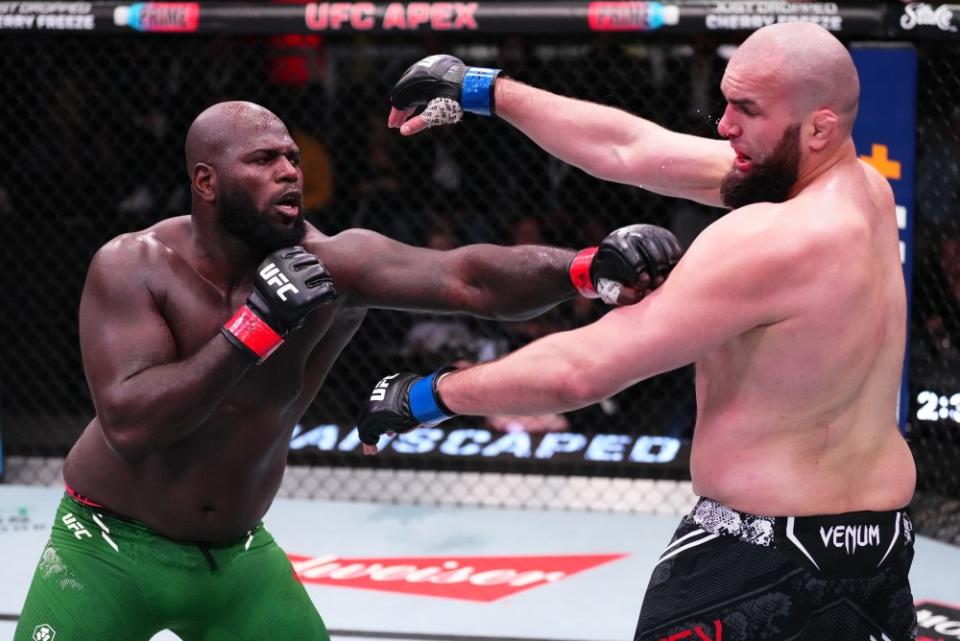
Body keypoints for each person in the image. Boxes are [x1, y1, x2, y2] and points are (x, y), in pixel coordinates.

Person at [13, 100, 680, 641]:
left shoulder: (333, 263)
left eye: (291, 159)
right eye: (263, 159)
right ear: (206, 181)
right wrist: (253, 329)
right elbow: (131, 421)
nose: (288, 172)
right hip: (104, 544)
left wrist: (586, 269)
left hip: (236, 552)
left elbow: (468, 277)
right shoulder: (134, 265)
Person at [360, 22, 917, 641]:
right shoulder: (864, 188)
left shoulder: (768, 239)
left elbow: (586, 369)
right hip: (879, 553)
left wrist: (428, 397)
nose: (724, 126)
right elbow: (630, 148)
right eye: (726, 102)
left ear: (819, 127)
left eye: (747, 110)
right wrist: (481, 90)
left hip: (759, 559)